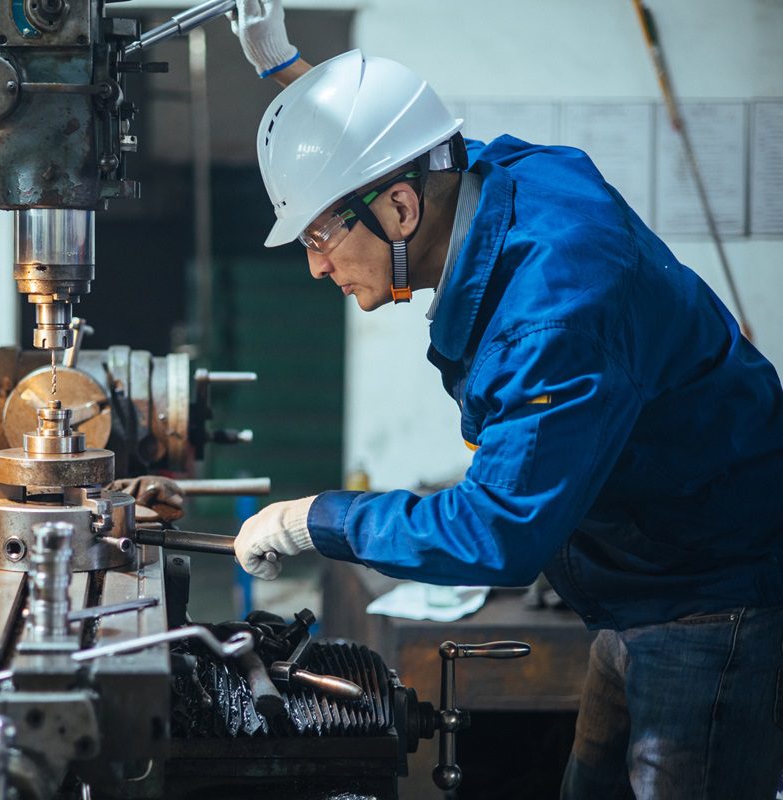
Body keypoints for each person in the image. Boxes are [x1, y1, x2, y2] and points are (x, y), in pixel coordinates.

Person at [225, 2, 783, 797]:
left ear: (401, 212)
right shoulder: (498, 178)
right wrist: (287, 72)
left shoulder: (552, 314)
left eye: (318, 237)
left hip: (712, 605)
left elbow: (498, 532)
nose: (317, 267)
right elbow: (394, 151)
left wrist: (314, 518)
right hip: (637, 586)